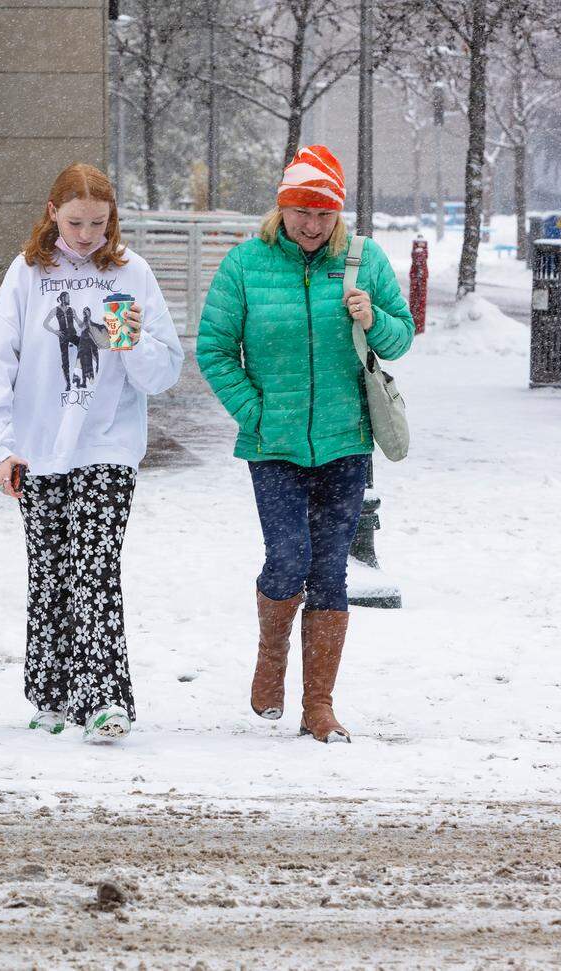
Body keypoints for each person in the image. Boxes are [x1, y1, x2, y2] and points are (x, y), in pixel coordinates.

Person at [197, 145, 414, 743]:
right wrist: (255, 412)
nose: (312, 225)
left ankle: (318, 706)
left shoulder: (363, 262)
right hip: (273, 445)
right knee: (287, 557)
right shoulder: (246, 264)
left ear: (338, 214)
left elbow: (401, 341)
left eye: (323, 214)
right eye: (301, 212)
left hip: (347, 443)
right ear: (282, 207)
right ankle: (271, 663)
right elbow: (214, 349)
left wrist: (374, 320)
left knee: (330, 573)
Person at [0, 163, 184, 742]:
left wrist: (133, 340)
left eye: (99, 222)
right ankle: (51, 692)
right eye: (75, 221)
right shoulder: (28, 274)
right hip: (38, 450)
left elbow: (163, 374)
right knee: (51, 573)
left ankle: (105, 698)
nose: (87, 235)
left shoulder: (131, 274)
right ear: (51, 213)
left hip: (107, 445)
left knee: (94, 570)